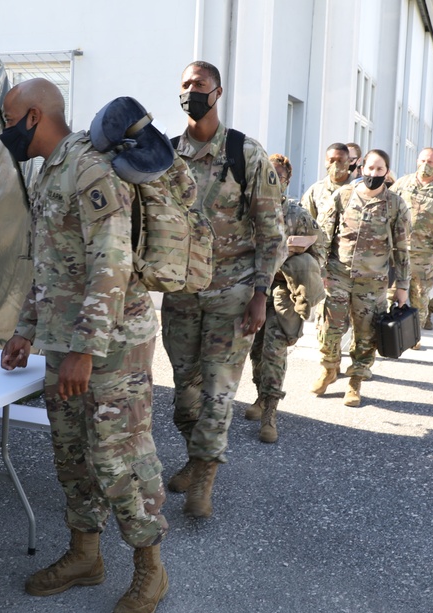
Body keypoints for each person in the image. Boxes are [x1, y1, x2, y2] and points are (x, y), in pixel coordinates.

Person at [0, 79, 169, 613]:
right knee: (72, 452)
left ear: (31, 116)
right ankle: (85, 555)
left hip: (111, 343)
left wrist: (86, 350)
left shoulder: (91, 167)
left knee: (118, 455)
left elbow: (112, 261)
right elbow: (53, 265)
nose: (3, 130)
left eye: (7, 117)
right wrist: (26, 329)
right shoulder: (51, 171)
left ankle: (150, 567)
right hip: (64, 340)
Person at [162, 61, 285, 517]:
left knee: (218, 390)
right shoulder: (166, 154)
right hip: (180, 293)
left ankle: (203, 481)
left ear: (217, 92)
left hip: (232, 293)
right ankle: (196, 458)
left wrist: (260, 294)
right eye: (185, 84)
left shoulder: (245, 152)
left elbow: (272, 231)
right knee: (183, 390)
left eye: (199, 84)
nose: (191, 91)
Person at [311, 149, 410, 407]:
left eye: (379, 170)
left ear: (386, 172)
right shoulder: (342, 196)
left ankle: (355, 382)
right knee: (329, 330)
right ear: (361, 168)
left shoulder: (395, 204)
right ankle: (329, 368)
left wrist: (402, 286)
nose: (373, 174)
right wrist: (319, 271)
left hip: (372, 281)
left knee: (365, 336)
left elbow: (401, 248)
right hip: (337, 275)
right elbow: (323, 237)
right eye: (370, 168)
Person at [245, 154, 324, 443]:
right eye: (268, 174)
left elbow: (320, 251)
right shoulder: (247, 210)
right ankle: (259, 397)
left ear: (287, 180)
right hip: (252, 289)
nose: (272, 180)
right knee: (255, 350)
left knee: (274, 351)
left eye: (278, 175)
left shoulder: (296, 214)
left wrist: (299, 251)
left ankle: (270, 413)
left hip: (282, 291)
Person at [390, 147, 433, 333]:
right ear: (417, 162)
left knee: (420, 294)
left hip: (425, 253)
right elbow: (387, 209)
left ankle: (414, 333)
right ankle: (386, 332)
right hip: (397, 249)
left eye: (430, 162)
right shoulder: (402, 184)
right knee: (390, 292)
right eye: (422, 161)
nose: (425, 165)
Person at [300, 142, 353, 225]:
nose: (335, 165)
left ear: (349, 161)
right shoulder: (316, 190)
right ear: (325, 161)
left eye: (340, 160)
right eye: (331, 161)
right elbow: (307, 221)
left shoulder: (357, 189)